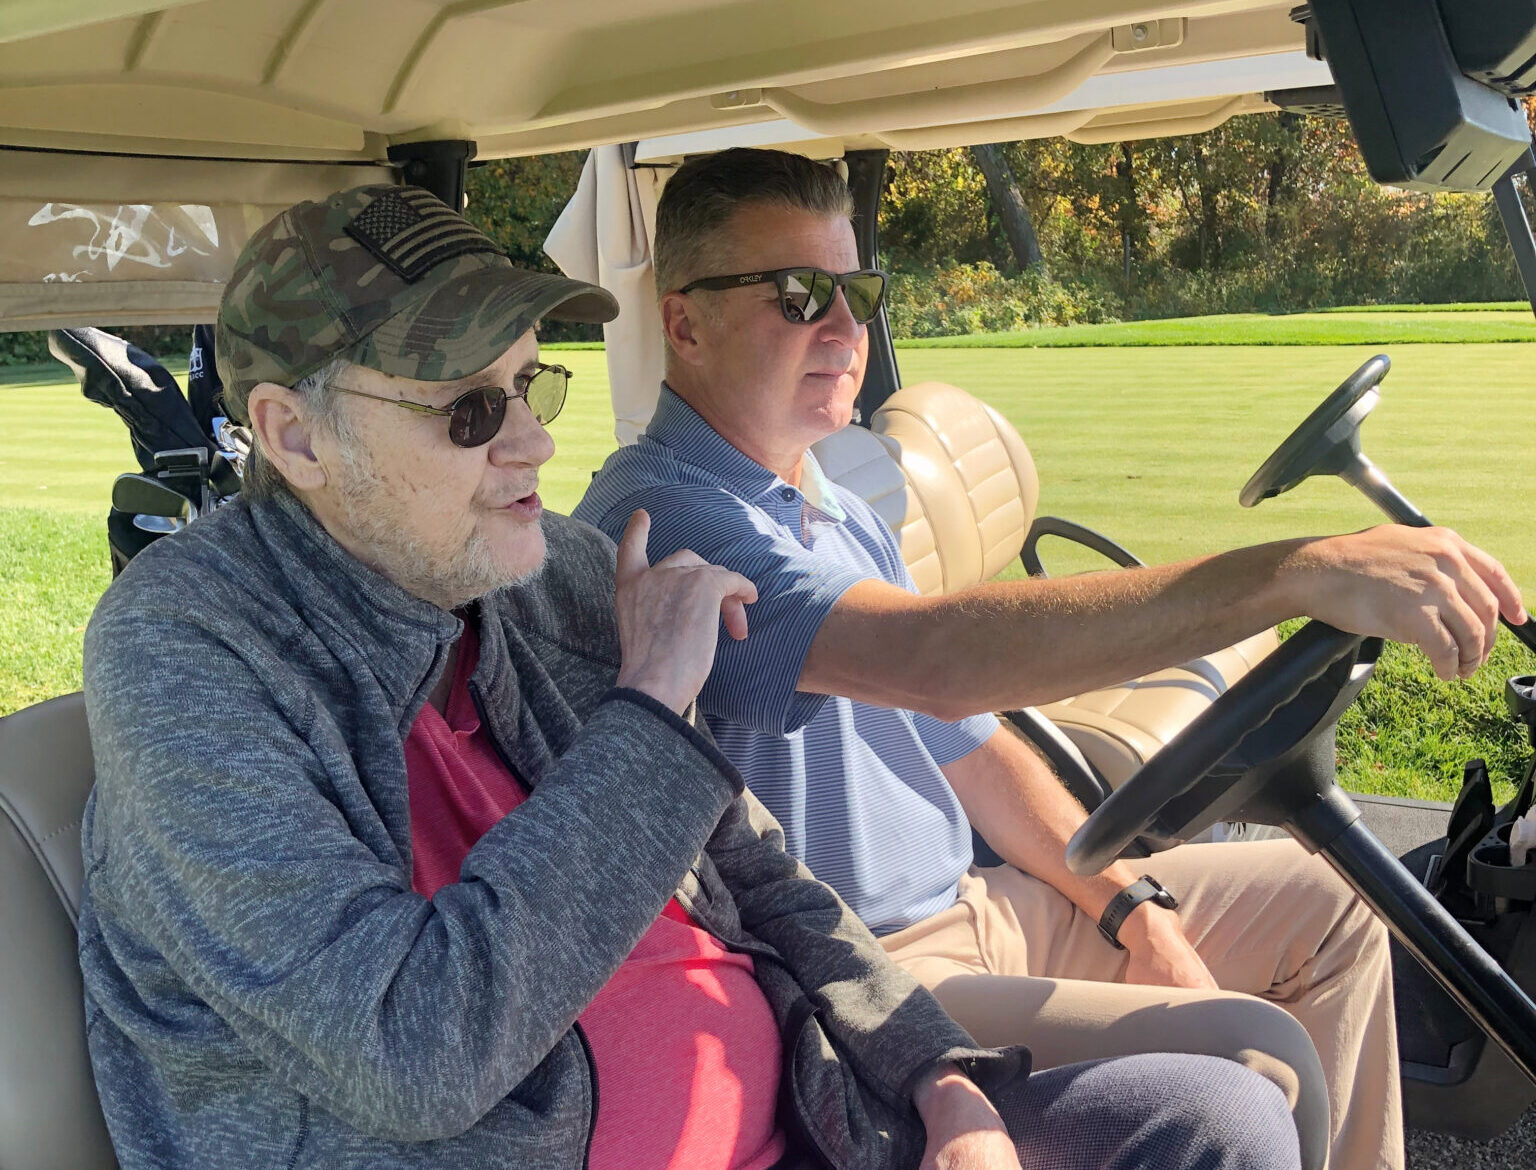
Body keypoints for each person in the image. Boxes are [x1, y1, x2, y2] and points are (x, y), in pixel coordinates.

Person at [76, 183, 1303, 1170]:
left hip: (811, 1110)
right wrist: (653, 707)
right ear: (296, 438)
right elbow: (416, 1055)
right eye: (469, 412)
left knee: (1218, 1118)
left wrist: (943, 1078)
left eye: (529, 384)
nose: (536, 442)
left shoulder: (536, 572)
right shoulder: (192, 652)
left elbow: (761, 870)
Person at [574, 147, 1530, 1170]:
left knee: (1334, 907)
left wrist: (1127, 906)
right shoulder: (668, 517)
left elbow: (970, 749)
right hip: (860, 976)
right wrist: (1293, 573)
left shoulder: (835, 504)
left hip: (980, 909)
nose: (848, 331)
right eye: (801, 295)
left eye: (858, 292)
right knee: (1258, 1054)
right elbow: (933, 657)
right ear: (683, 321)